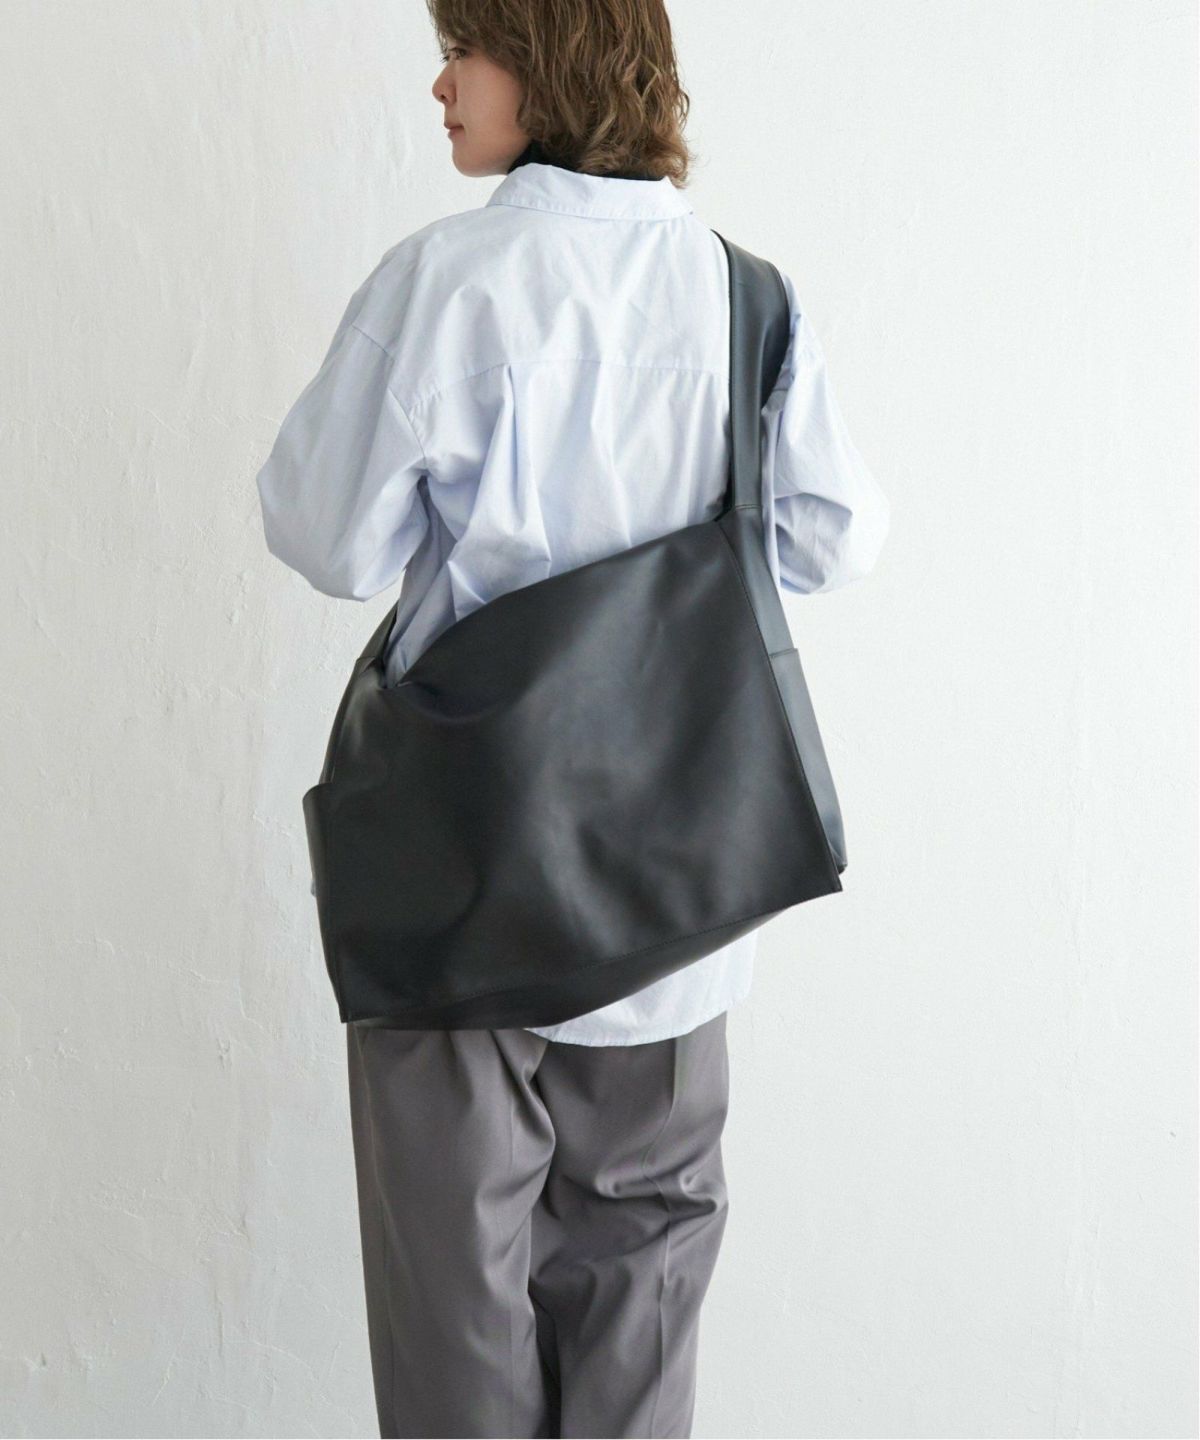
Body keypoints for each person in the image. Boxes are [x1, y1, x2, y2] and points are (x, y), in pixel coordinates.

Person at [254, 2, 890, 1434]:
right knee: (642, 1296)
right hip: (674, 898)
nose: (440, 82)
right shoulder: (745, 296)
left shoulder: (445, 283)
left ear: (546, 63)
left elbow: (325, 538)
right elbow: (834, 537)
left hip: (462, 885)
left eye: (464, 47)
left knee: (455, 1319)